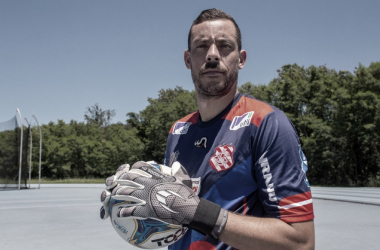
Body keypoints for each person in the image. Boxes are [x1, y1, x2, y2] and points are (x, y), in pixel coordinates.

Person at [102, 8, 315, 250]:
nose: (212, 55)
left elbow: (301, 242)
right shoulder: (179, 129)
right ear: (188, 59)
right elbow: (176, 214)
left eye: (224, 45)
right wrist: (126, 204)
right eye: (202, 46)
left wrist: (200, 213)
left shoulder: (267, 123)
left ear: (241, 59)